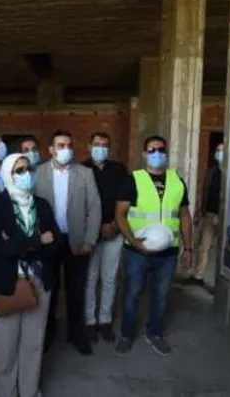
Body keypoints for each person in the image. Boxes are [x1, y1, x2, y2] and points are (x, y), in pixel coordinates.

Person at [0, 153, 60, 397]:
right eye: (19, 170)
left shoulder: (42, 205)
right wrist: (37, 241)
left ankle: (29, 391)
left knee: (33, 344)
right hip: (6, 282)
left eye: (29, 169)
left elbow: (55, 243)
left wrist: (18, 243)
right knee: (4, 347)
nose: (26, 174)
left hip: (39, 280)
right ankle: (4, 393)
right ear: (8, 175)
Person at [114, 135, 193, 356]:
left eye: (160, 150)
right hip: (137, 251)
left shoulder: (177, 181)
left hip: (168, 253)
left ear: (166, 153)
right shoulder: (133, 180)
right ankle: (127, 334)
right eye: (151, 150)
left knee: (161, 295)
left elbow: (185, 216)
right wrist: (132, 240)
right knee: (132, 293)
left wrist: (188, 248)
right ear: (144, 154)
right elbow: (120, 214)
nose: (156, 154)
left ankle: (155, 333)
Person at [35, 130, 101, 355]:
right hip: (49, 241)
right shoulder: (38, 173)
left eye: (69, 145)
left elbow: (94, 208)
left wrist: (90, 240)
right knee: (49, 290)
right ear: (51, 150)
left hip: (77, 241)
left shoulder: (85, 173)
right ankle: (48, 333)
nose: (66, 149)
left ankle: (76, 334)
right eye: (60, 145)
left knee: (77, 290)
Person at [81, 132, 128, 343]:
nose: (100, 148)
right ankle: (89, 321)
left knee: (109, 278)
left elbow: (125, 199)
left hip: (114, 232)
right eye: (97, 144)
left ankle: (105, 320)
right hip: (90, 234)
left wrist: (116, 226)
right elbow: (79, 203)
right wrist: (96, 227)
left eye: (105, 145)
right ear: (89, 146)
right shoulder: (81, 170)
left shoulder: (118, 169)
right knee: (90, 278)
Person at [189, 142, 224, 287]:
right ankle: (198, 276)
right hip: (209, 214)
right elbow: (203, 191)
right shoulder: (212, 172)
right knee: (203, 246)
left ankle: (220, 283)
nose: (219, 153)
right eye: (217, 150)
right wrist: (199, 210)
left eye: (222, 150)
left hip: (224, 217)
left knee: (223, 252)